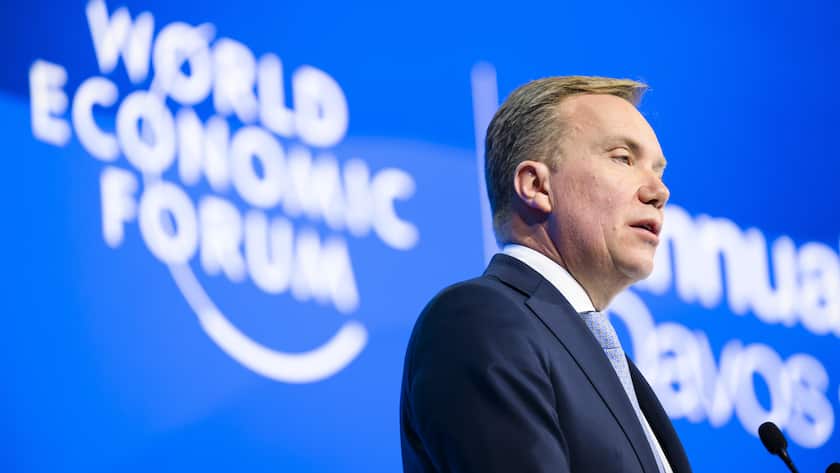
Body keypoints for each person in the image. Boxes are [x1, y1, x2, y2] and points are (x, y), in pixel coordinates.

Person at [399, 76, 692, 473]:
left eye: (658, 171)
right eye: (623, 158)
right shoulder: (480, 320)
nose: (659, 192)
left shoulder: (608, 362)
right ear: (536, 185)